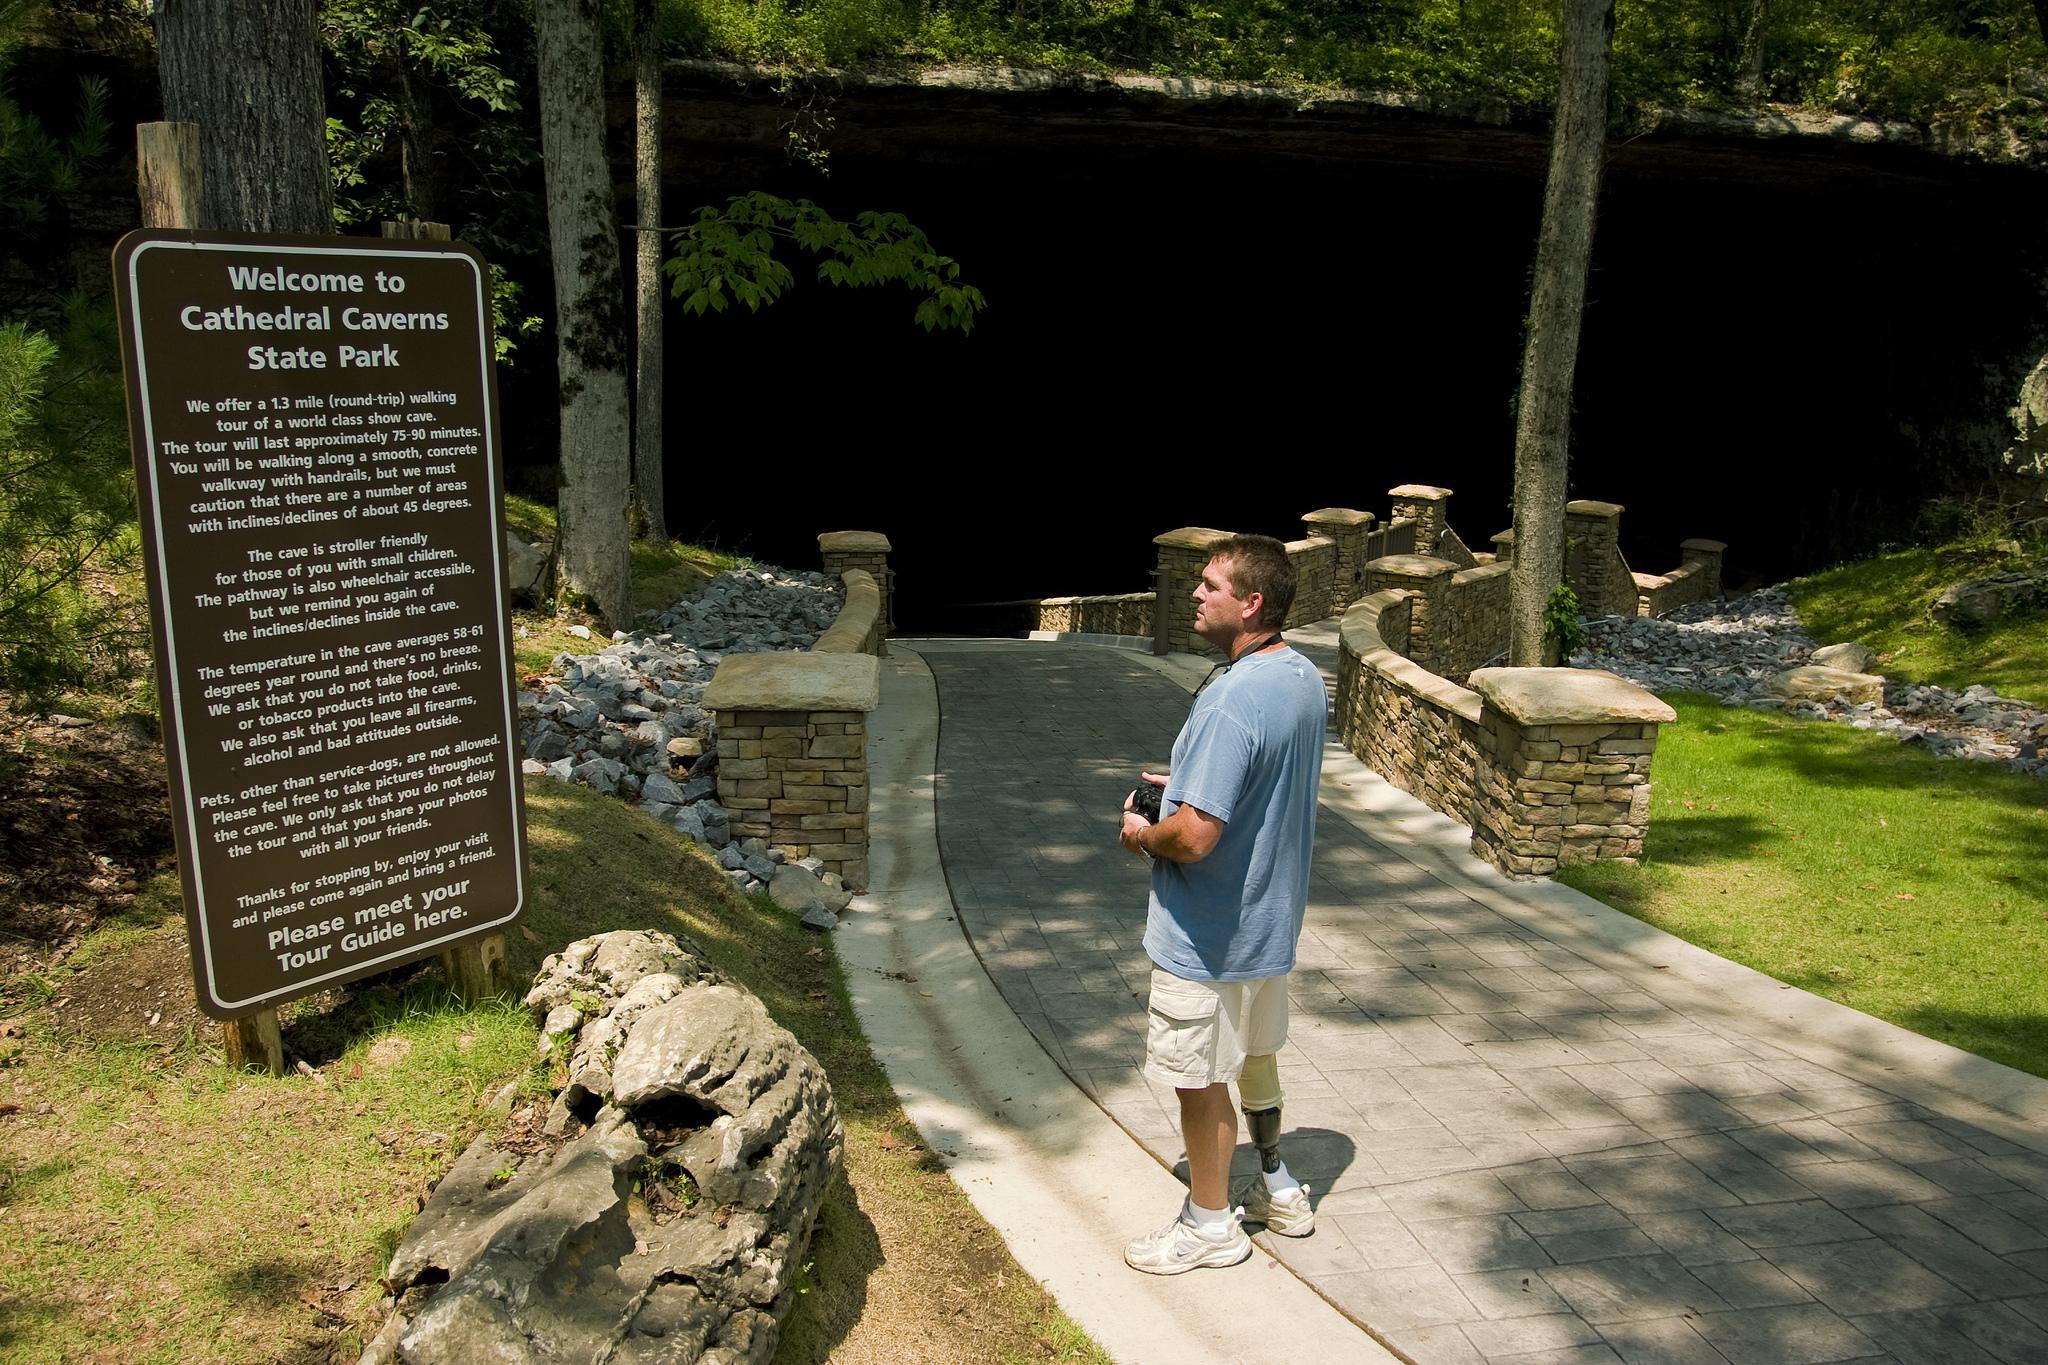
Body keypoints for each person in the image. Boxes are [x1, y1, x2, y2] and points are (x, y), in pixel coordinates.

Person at [1117, 533, 1326, 1274]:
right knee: (1253, 1056)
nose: (1197, 593)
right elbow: (1256, 781)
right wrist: (1180, 781)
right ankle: (1278, 1186)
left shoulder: (1233, 698)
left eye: (1211, 585)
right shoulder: (1299, 676)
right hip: (1267, 925)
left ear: (1252, 601)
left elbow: (1197, 836)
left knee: (1200, 1079)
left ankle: (1210, 1224)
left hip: (1207, 938)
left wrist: (1145, 831)